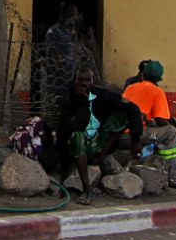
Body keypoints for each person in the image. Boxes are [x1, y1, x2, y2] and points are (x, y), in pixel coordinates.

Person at [55, 66, 143, 204]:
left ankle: (101, 156)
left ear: (93, 81)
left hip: (96, 142)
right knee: (78, 137)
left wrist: (136, 140)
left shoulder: (100, 95)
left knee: (123, 115)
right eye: (80, 80)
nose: (84, 84)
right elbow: (77, 126)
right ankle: (87, 190)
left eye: (88, 80)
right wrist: (83, 102)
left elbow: (133, 108)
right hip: (73, 146)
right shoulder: (68, 99)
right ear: (74, 81)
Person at [122, 59, 176, 189]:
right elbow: (161, 120)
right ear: (158, 79)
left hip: (119, 136)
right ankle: (170, 176)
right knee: (171, 132)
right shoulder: (157, 91)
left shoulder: (130, 87)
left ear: (143, 74)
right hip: (135, 137)